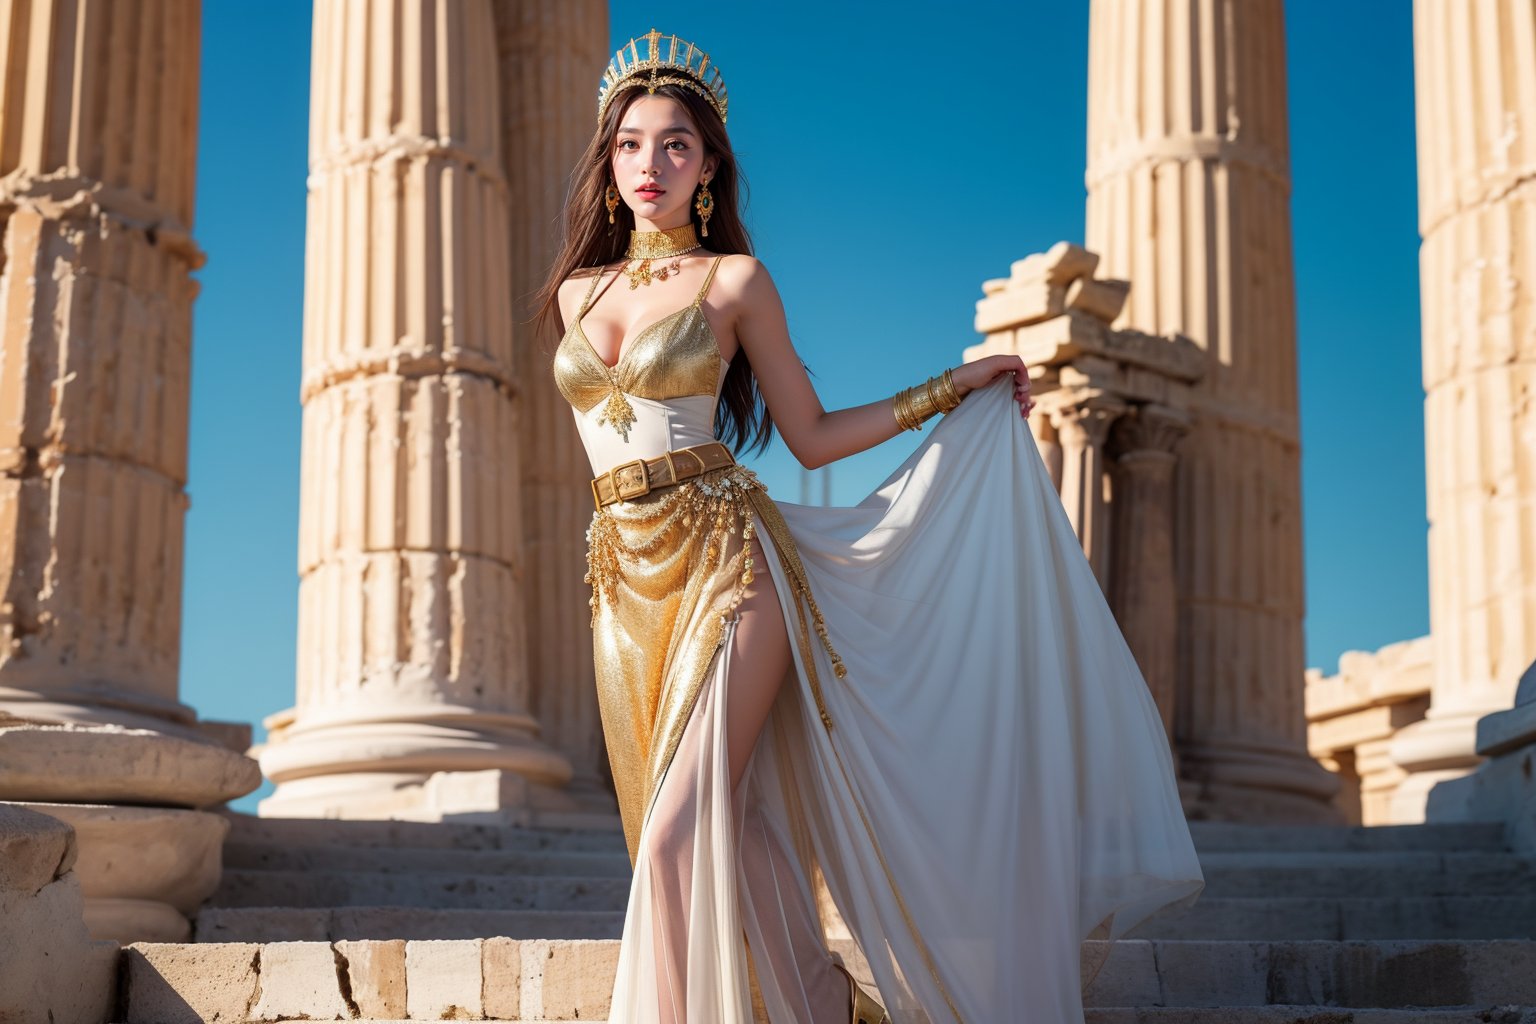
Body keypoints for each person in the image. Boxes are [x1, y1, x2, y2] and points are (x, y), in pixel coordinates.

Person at [533, 28, 1205, 1024]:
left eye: (676, 144)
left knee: (679, 832)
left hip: (730, 558)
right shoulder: (571, 295)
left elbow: (808, 438)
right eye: (631, 143)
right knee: (721, 819)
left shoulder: (734, 284)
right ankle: (824, 1006)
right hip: (619, 582)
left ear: (709, 165)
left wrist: (953, 386)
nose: (651, 164)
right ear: (608, 155)